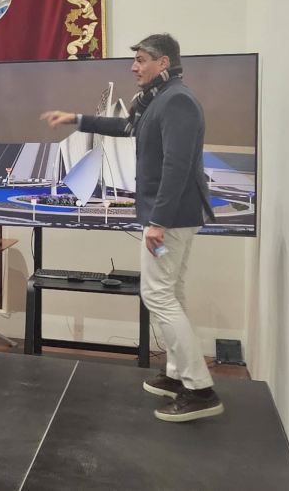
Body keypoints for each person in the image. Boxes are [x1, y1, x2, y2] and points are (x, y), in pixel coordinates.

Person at [41, 33, 222, 422]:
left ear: (163, 62)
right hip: (172, 216)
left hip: (171, 218)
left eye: (141, 59)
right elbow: (126, 127)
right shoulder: (160, 99)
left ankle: (200, 389)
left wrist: (158, 221)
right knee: (171, 293)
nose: (133, 66)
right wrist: (77, 119)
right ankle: (178, 374)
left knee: (158, 295)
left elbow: (177, 165)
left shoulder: (177, 101)